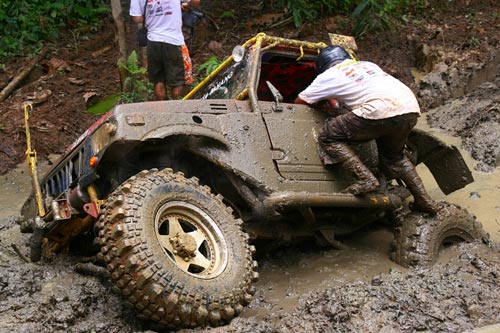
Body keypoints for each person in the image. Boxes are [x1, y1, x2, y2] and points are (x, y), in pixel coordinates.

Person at [294, 46, 440, 215]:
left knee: (329, 136)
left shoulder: (328, 76)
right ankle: (426, 202)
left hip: (379, 108)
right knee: (395, 158)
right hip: (409, 107)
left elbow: (300, 102)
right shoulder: (367, 65)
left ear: (323, 67)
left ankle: (365, 178)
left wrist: (321, 103)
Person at [130, 0, 200, 100]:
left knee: (158, 80)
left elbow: (137, 18)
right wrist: (186, 5)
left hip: (153, 41)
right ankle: (179, 110)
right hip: (174, 41)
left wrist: (153, 16)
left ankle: (163, 112)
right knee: (178, 81)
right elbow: (196, 1)